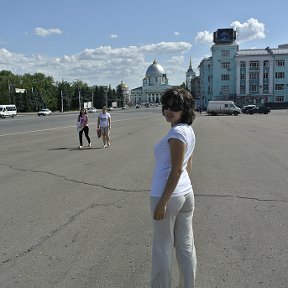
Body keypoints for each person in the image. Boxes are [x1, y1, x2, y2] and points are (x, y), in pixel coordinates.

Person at [150, 88, 197, 288]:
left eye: (175, 107)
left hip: (168, 195)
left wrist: (163, 202)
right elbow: (188, 165)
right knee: (186, 245)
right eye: (166, 106)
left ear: (184, 109)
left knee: (162, 248)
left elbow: (177, 170)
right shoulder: (188, 130)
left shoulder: (177, 133)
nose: (169, 110)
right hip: (185, 194)